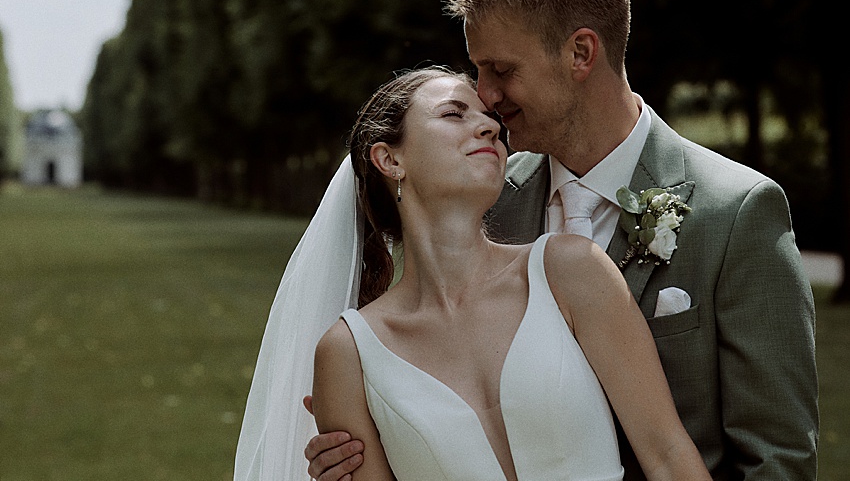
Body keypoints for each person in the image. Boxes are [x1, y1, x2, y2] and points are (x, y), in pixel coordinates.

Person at [304, 0, 818, 481]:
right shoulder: (482, 201)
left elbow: (778, 461)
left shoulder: (737, 212)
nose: (487, 98)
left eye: (500, 70)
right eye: (477, 73)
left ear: (580, 53)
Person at [235, 65, 711, 480]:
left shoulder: (571, 271)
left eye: (488, 117)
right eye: (454, 113)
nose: (488, 127)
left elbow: (668, 457)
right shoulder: (348, 355)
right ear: (390, 159)